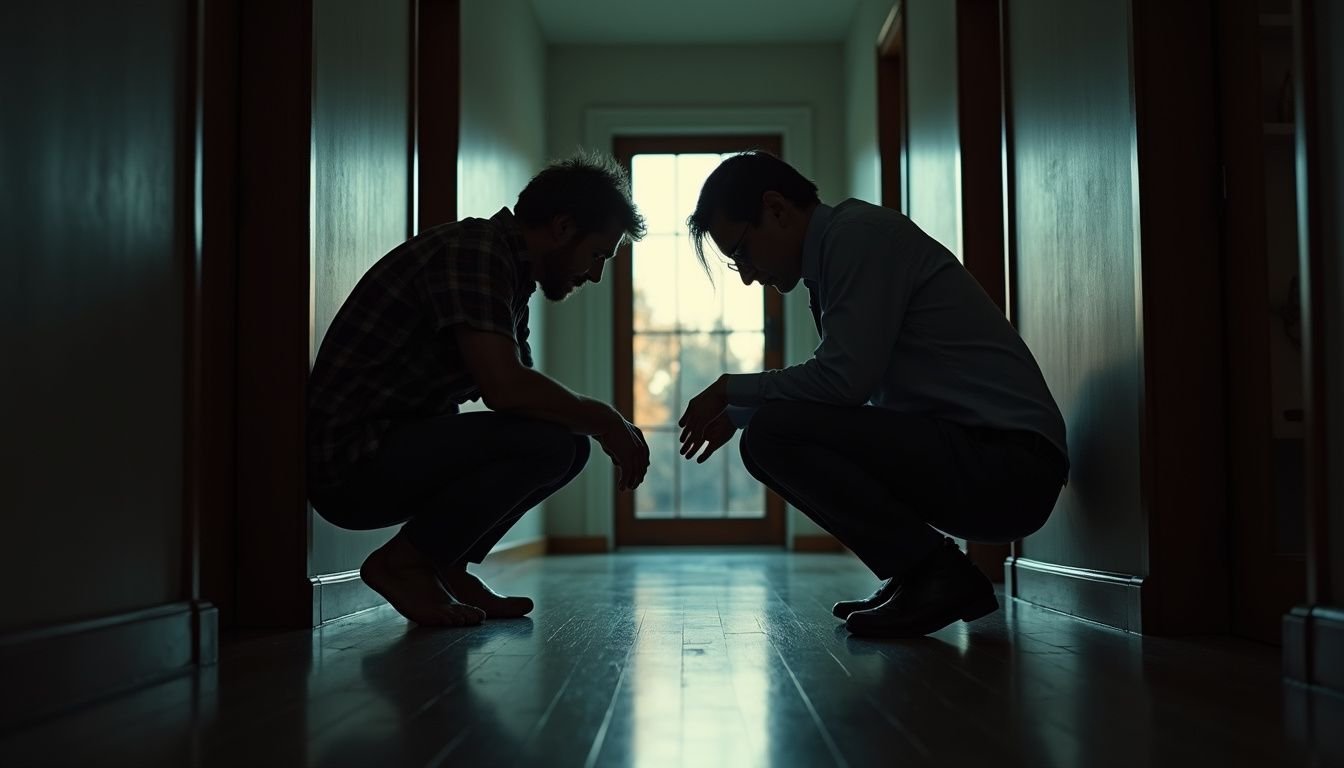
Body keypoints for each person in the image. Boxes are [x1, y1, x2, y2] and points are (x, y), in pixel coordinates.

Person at [676, 151, 1068, 638]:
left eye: (742, 252)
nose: (750, 274)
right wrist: (738, 411)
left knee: (771, 433)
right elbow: (847, 394)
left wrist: (733, 390)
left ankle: (934, 573)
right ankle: (918, 571)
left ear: (776, 208)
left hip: (1009, 468)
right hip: (985, 456)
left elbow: (842, 383)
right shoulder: (835, 254)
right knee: (765, 431)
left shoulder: (857, 237)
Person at [307, 152, 650, 627]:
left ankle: (446, 566)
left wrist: (591, 423)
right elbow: (506, 389)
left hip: (391, 447)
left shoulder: (508, 272)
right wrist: (605, 419)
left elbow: (527, 403)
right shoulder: (474, 252)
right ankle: (403, 564)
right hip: (351, 462)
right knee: (554, 443)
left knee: (565, 445)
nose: (595, 274)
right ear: (563, 227)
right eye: (597, 255)